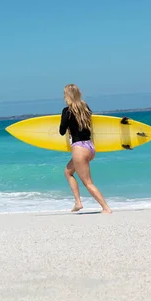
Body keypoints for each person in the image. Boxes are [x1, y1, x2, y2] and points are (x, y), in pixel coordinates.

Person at [59, 84, 112, 214]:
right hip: (90, 147)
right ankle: (78, 202)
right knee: (68, 172)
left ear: (67, 95)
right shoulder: (85, 108)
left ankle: (106, 208)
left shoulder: (67, 111)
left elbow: (61, 131)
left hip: (79, 149)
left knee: (88, 183)